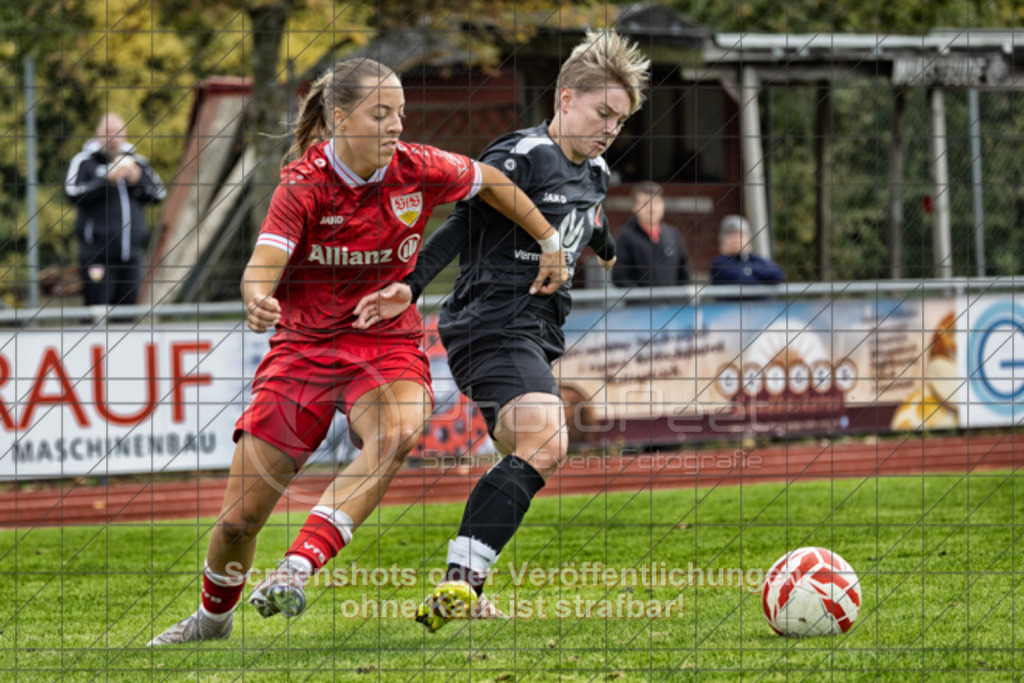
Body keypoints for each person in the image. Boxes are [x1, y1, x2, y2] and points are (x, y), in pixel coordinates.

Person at [147, 58, 565, 646]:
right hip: (302, 351)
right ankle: (212, 620)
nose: (396, 125)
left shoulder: (418, 167)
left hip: (383, 344)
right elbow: (261, 265)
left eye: (400, 112)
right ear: (340, 118)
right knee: (240, 520)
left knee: (397, 433)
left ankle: (296, 567)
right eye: (380, 113)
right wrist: (255, 296)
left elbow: (492, 182)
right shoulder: (304, 184)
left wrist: (549, 240)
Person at [353, 29, 650, 633]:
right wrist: (411, 286)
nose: (609, 129)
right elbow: (460, 225)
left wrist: (607, 246)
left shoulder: (593, 170)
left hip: (536, 332)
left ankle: (466, 582)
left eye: (619, 121)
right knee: (550, 438)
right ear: (566, 97)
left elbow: (588, 218)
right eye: (603, 113)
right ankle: (462, 580)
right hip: (491, 321)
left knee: (527, 449)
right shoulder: (520, 156)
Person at [64, 113, 166, 306]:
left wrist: (137, 182)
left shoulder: (138, 162)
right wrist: (106, 181)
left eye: (118, 132)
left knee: (127, 318)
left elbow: (159, 194)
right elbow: (72, 192)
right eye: (108, 132)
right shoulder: (85, 162)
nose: (113, 138)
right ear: (97, 134)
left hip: (132, 256)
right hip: (97, 256)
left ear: (125, 135)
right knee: (97, 314)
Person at [610, 181, 690, 288]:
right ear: (634, 207)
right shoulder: (624, 237)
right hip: (640, 304)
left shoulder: (673, 235)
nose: (651, 208)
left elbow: (684, 273)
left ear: (663, 205)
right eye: (644, 203)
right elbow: (620, 277)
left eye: (655, 203)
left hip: (673, 303)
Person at [709, 214, 785, 285]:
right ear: (722, 241)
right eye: (730, 236)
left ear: (748, 239)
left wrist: (748, 270)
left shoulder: (756, 259)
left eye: (739, 235)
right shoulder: (719, 264)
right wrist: (758, 274)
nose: (735, 240)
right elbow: (744, 281)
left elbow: (777, 275)